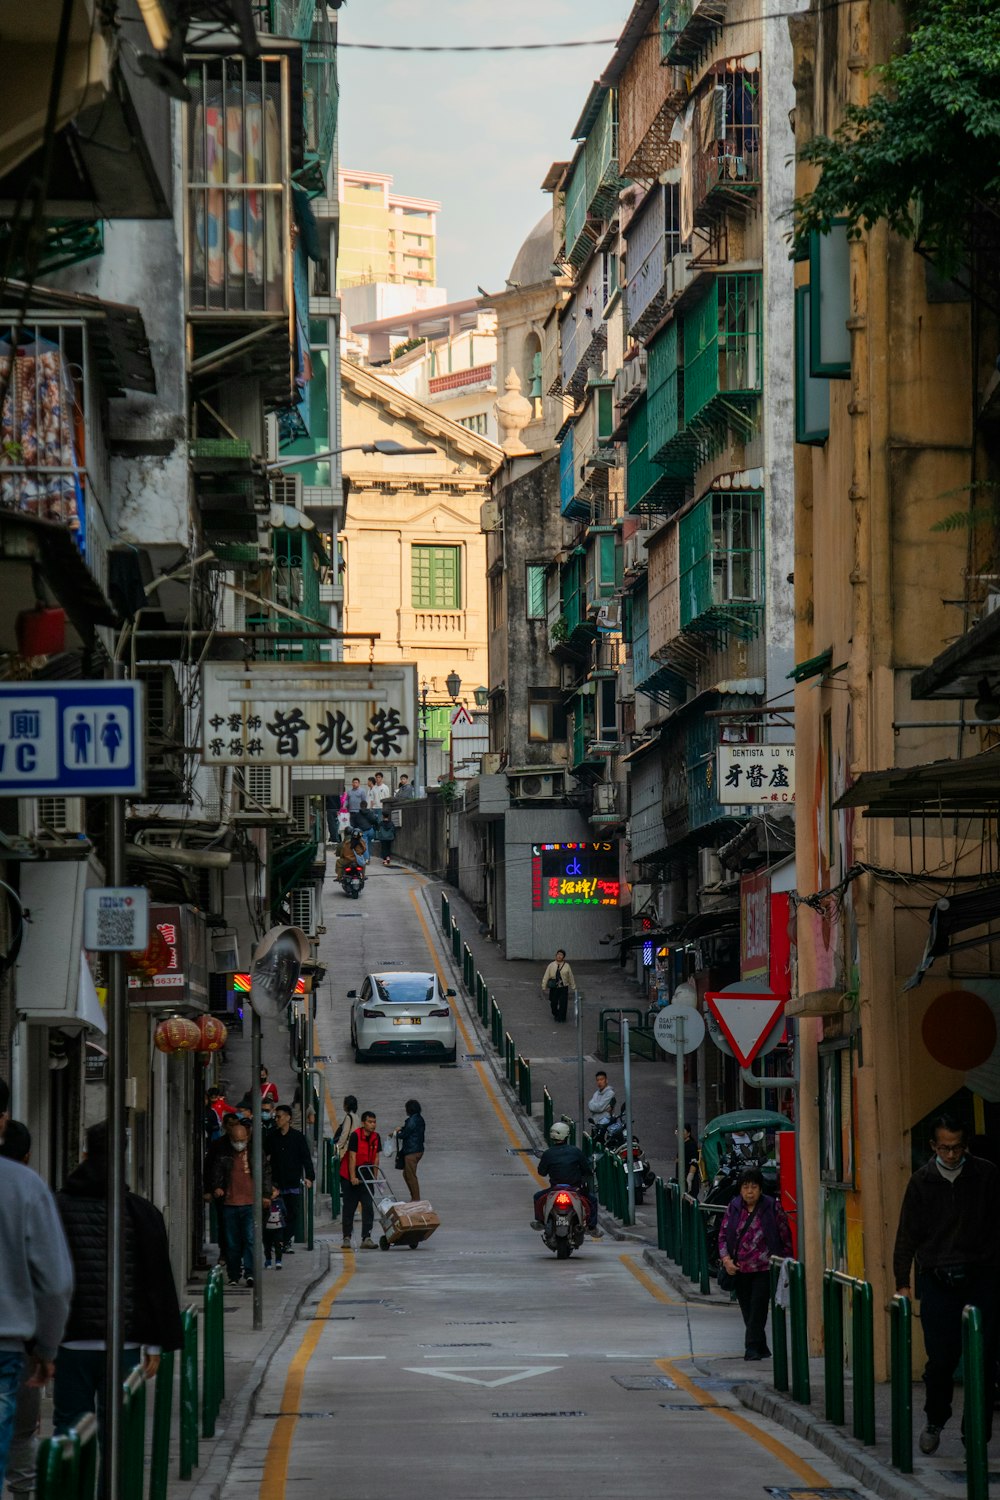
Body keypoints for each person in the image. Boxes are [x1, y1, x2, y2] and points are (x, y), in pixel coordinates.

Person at [54, 1121, 183, 1480]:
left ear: (84, 1155)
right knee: (119, 1432)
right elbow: (155, 1278)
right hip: (124, 1341)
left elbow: (46, 1277)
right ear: (122, 1159)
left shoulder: (57, 1207)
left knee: (69, 1432)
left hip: (70, 1340)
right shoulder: (140, 1211)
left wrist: (42, 1343)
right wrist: (155, 1343)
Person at [893, 1113, 1000, 1454]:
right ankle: (936, 1418)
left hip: (980, 1275)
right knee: (941, 1359)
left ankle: (977, 1435)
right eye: (944, 1148)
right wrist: (902, 1283)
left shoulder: (986, 1175)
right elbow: (907, 1235)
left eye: (956, 1148)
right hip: (937, 1278)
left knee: (983, 1358)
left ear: (965, 1145)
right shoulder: (921, 1181)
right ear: (933, 1146)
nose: (951, 1155)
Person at [0, 1080, 73, 1495]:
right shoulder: (25, 1187)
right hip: (8, 1344)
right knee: (16, 1437)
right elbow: (55, 1281)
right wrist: (47, 1349)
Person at [718, 1167, 793, 1361]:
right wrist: (726, 1260)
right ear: (740, 1189)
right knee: (747, 1309)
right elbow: (723, 1236)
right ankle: (761, 1346)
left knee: (758, 1306)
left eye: (753, 1187)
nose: (749, 1191)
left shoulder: (772, 1207)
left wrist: (785, 1261)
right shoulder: (733, 1207)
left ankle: (751, 1347)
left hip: (765, 1268)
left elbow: (785, 1235)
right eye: (745, 1187)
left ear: (760, 1189)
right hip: (739, 1268)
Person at [208, 1121, 271, 1287]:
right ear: (230, 1138)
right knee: (232, 1242)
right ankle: (234, 1274)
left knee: (250, 1240)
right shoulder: (223, 1154)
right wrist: (217, 1188)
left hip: (250, 1204)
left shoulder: (256, 1153)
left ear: (248, 1137)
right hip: (229, 1204)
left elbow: (265, 1173)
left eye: (242, 1140)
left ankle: (250, 1273)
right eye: (236, 1140)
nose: (239, 1143)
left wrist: (266, 1195)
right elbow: (216, 1172)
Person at [532, 1121, 601, 1237]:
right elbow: (586, 1169)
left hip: (555, 1189)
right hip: (575, 1189)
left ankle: (540, 1221)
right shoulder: (576, 1151)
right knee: (592, 1201)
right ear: (567, 1135)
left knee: (537, 1197)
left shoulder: (548, 1154)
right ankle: (592, 1227)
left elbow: (541, 1172)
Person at [266, 1105, 315, 1253]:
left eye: (279, 1116)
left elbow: (306, 1158)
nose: (277, 1119)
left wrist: (309, 1177)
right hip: (276, 1185)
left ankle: (286, 1241)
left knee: (292, 1214)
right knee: (276, 1215)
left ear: (288, 1117)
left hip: (293, 1183)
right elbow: (264, 1158)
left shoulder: (298, 1137)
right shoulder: (272, 1137)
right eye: (276, 1117)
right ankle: (278, 1242)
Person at [340, 1112, 381, 1251]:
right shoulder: (355, 1136)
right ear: (363, 1123)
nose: (373, 1124)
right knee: (349, 1207)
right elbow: (352, 1157)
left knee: (368, 1206)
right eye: (370, 1122)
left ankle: (366, 1237)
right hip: (350, 1173)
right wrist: (352, 1177)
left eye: (374, 1122)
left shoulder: (376, 1137)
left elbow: (376, 1157)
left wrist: (374, 1178)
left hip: (366, 1173)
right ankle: (346, 1237)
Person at [396, 1100, 425, 1200]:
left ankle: (416, 1199)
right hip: (418, 1150)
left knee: (411, 1176)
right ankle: (413, 1197)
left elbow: (404, 1134)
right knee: (407, 1174)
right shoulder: (419, 1119)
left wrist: (396, 1133)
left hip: (411, 1151)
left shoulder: (412, 1120)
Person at [540, 949, 575, 1023]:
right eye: (558, 954)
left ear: (563, 957)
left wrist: (573, 986)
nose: (559, 956)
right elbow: (546, 976)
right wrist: (544, 986)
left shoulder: (567, 966)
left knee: (563, 1004)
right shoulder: (551, 965)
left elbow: (570, 976)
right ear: (556, 956)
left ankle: (561, 1018)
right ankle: (556, 1014)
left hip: (563, 987)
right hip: (554, 988)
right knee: (553, 1003)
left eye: (561, 955)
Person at [588, 1071, 616, 1141]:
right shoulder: (596, 1093)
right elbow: (590, 1105)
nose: (599, 1082)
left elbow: (600, 1108)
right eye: (597, 1080)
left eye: (601, 1079)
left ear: (606, 1080)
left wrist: (596, 1107)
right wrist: (602, 1108)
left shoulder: (610, 1093)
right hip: (595, 1125)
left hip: (604, 1125)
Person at [263, 1194, 288, 1270]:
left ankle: (278, 1261)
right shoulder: (265, 1201)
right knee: (267, 1246)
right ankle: (268, 1261)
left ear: (278, 1192)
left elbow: (284, 1212)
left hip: (278, 1227)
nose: (271, 1194)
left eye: (273, 1191)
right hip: (267, 1228)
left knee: (278, 1244)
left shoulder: (280, 1201)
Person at [333, 1097, 360, 1165]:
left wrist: (337, 1147)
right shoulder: (357, 1117)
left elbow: (344, 1134)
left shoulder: (349, 1117)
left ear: (347, 1105)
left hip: (347, 1149)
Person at [677, 1123, 699, 1194]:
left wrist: (689, 1178)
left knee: (690, 1200)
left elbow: (694, 1162)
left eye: (682, 1131)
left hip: (688, 1180)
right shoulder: (683, 1144)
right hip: (682, 1178)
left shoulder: (691, 1145)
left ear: (688, 1133)